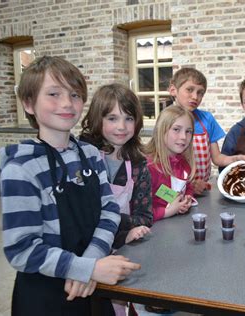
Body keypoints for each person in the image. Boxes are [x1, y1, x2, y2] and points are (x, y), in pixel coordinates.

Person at [0, 56, 140, 316]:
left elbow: (109, 210)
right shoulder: (20, 168)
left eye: (75, 95)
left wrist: (89, 263)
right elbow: (22, 248)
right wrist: (86, 268)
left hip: (91, 281)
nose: (67, 103)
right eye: (54, 93)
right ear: (29, 103)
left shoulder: (89, 154)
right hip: (46, 295)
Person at [79, 83, 153, 316]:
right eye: (112, 118)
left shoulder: (139, 164)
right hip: (83, 257)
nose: (121, 127)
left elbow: (145, 217)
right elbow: (83, 216)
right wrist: (123, 227)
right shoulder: (82, 157)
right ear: (96, 119)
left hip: (119, 252)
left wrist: (124, 235)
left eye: (128, 118)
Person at [168, 67, 245, 195]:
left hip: (202, 189)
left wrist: (237, 158)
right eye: (189, 90)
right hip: (176, 191)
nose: (195, 97)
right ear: (173, 90)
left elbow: (217, 158)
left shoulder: (207, 119)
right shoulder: (165, 120)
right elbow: (161, 170)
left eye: (200, 93)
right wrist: (188, 185)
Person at [144, 105, 196, 222]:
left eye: (188, 131)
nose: (183, 137)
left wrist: (187, 199)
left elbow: (188, 188)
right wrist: (167, 211)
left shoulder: (184, 164)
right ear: (161, 130)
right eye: (176, 129)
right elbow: (137, 211)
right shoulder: (148, 168)